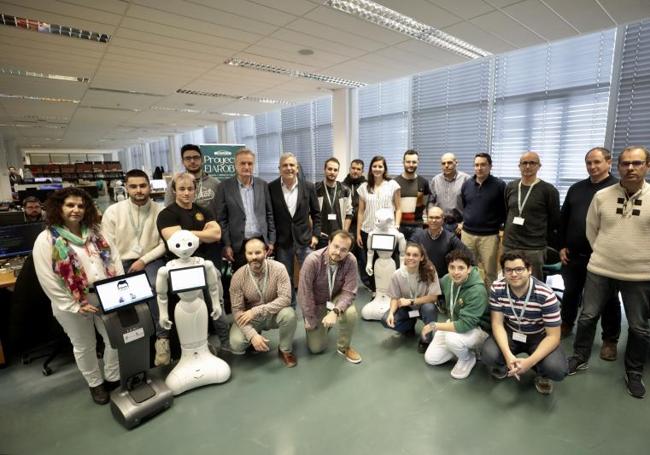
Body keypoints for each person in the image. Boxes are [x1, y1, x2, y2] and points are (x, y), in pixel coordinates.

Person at [567, 146, 650, 399]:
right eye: (626, 164)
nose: (631, 168)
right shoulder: (603, 196)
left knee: (638, 327)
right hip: (601, 268)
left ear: (647, 165)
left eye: (637, 163)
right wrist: (605, 253)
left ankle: (634, 372)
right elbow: (592, 230)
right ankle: (580, 357)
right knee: (588, 315)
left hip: (640, 275)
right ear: (618, 166)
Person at [33, 187, 124, 405]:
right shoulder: (46, 239)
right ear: (59, 208)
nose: (76, 210)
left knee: (115, 339)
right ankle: (95, 384)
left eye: (81, 206)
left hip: (104, 295)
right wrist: (73, 305)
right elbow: (47, 279)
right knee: (85, 345)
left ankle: (112, 377)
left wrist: (118, 288)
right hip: (72, 302)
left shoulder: (96, 232)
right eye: (70, 205)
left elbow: (114, 259)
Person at [101, 169, 169, 365]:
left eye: (142, 185)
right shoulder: (113, 212)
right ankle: (127, 346)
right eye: (133, 186)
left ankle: (162, 338)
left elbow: (164, 244)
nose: (139, 190)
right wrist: (119, 271)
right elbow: (107, 245)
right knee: (121, 296)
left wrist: (143, 260)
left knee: (157, 285)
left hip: (150, 259)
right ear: (127, 188)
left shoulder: (161, 210)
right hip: (120, 261)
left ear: (149, 186)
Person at [157, 172, 230, 351]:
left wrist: (186, 232)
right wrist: (201, 234)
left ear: (195, 190)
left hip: (206, 264)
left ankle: (226, 341)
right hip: (182, 271)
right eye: (182, 189)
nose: (186, 193)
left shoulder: (203, 211)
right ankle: (201, 345)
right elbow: (175, 239)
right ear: (174, 191)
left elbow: (216, 234)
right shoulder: (166, 214)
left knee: (217, 302)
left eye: (190, 189)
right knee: (194, 308)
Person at [559, 147, 620, 356]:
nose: (592, 167)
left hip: (604, 258)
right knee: (570, 293)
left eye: (597, 162)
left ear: (609, 162)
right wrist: (561, 246)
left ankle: (610, 339)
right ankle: (566, 324)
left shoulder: (618, 189)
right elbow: (564, 219)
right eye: (589, 163)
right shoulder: (576, 189)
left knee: (608, 300)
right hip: (574, 255)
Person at [481, 251, 567, 395]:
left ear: (529, 270)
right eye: (508, 270)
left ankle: (542, 375)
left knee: (556, 369)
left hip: (538, 336)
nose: (514, 274)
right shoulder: (497, 288)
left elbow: (553, 336)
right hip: (511, 331)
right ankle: (505, 364)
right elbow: (497, 324)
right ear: (503, 272)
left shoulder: (546, 294)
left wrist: (529, 362)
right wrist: (508, 355)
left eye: (519, 269)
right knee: (488, 354)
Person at [229, 239, 297, 367]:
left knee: (289, 314)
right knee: (236, 344)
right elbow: (237, 310)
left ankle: (285, 350)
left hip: (272, 313)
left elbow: (286, 299)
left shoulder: (279, 269)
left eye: (258, 252)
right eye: (250, 253)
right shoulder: (238, 277)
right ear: (245, 254)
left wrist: (255, 311)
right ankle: (256, 337)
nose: (254, 257)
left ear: (266, 252)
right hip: (251, 319)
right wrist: (252, 335)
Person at [422, 249, 490, 379]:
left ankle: (468, 358)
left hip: (478, 328)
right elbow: (432, 290)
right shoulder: (448, 280)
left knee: (451, 339)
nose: (456, 272)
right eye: (452, 267)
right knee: (432, 359)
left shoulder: (477, 290)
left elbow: (465, 325)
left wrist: (433, 325)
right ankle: (461, 348)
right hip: (455, 321)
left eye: (461, 268)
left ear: (469, 269)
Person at [298, 230, 361, 364]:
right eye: (336, 246)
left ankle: (344, 347)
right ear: (329, 243)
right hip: (317, 302)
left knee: (350, 313)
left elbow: (349, 292)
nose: (338, 252)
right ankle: (320, 325)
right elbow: (305, 293)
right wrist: (310, 318)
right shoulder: (312, 260)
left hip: (336, 299)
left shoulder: (351, 261)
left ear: (349, 251)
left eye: (344, 250)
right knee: (316, 348)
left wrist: (335, 311)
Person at [269, 153, 321, 297]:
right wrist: (271, 241)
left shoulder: (309, 187)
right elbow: (270, 217)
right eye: (285, 165)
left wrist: (316, 235)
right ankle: (289, 310)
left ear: (297, 168)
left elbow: (316, 213)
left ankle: (309, 312)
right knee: (286, 280)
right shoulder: (271, 188)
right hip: (283, 242)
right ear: (279, 168)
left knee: (310, 278)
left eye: (292, 165)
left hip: (305, 241)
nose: (289, 168)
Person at [503, 151, 560, 280]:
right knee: (510, 280)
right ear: (519, 166)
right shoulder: (511, 187)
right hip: (510, 244)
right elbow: (506, 211)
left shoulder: (548, 190)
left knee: (533, 284)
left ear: (539, 166)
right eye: (524, 163)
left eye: (532, 163)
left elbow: (554, 220)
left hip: (534, 247)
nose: (528, 166)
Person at [216, 148, 275, 271]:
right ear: (235, 165)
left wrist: (271, 240)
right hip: (238, 244)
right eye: (242, 163)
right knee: (241, 280)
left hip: (260, 241)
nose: (246, 166)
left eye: (250, 163)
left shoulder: (262, 185)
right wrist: (227, 245)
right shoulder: (224, 187)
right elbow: (222, 219)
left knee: (262, 277)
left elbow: (269, 214)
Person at [164, 144, 222, 267]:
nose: (192, 161)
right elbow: (170, 210)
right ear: (183, 161)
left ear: (202, 159)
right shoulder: (174, 184)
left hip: (211, 243)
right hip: (185, 246)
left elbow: (221, 212)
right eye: (188, 158)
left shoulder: (215, 183)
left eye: (196, 157)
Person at [381, 242, 440, 353]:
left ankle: (426, 339)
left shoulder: (430, 272)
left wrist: (411, 301)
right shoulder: (397, 275)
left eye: (415, 255)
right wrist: (391, 313)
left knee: (430, 308)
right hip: (409, 311)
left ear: (421, 257)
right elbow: (394, 297)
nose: (411, 258)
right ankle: (408, 326)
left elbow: (433, 297)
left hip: (423, 309)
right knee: (385, 320)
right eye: (408, 254)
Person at [458, 153, 506, 286]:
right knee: (466, 268)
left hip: (489, 236)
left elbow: (505, 210)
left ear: (490, 166)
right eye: (476, 165)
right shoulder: (467, 184)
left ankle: (490, 302)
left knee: (490, 272)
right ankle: (470, 297)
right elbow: (465, 205)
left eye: (483, 164)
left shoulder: (500, 185)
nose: (479, 168)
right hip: (467, 235)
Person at [356, 156, 401, 291]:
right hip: (368, 230)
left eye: (380, 166)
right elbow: (360, 211)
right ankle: (375, 291)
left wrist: (397, 226)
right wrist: (358, 232)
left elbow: (398, 208)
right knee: (370, 263)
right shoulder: (364, 187)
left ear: (385, 169)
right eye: (374, 166)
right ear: (370, 168)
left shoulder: (393, 185)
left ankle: (390, 291)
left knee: (388, 262)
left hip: (387, 232)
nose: (377, 169)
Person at [412, 206, 471, 282]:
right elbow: (407, 256)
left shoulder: (450, 238)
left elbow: (469, 256)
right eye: (431, 217)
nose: (433, 220)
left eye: (437, 218)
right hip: (422, 280)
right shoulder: (418, 236)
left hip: (443, 283)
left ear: (443, 219)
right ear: (427, 219)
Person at [315, 157, 352, 249]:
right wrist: (315, 232)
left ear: (338, 172)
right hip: (321, 235)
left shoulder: (345, 190)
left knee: (337, 261)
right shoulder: (315, 189)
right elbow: (309, 213)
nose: (332, 172)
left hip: (338, 236)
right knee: (322, 262)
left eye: (335, 170)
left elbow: (349, 213)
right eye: (330, 169)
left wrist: (344, 232)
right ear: (324, 170)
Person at [394, 150, 432, 241]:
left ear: (418, 162)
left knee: (416, 253)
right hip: (398, 225)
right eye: (408, 162)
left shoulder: (423, 182)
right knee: (399, 254)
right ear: (403, 162)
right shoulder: (395, 182)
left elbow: (426, 204)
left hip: (417, 226)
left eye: (414, 162)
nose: (411, 164)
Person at [429, 153, 470, 233]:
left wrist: (464, 223)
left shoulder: (466, 180)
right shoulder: (435, 180)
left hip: (458, 225)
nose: (446, 166)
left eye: (449, 162)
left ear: (456, 163)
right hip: (439, 224)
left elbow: (471, 205)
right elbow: (431, 202)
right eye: (443, 163)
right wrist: (432, 219)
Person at [342, 159, 367, 283]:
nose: (355, 171)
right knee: (346, 255)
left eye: (358, 169)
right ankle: (345, 282)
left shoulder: (367, 186)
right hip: (347, 226)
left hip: (362, 226)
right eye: (353, 168)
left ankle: (367, 283)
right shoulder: (342, 185)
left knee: (363, 257)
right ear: (350, 168)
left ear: (362, 171)